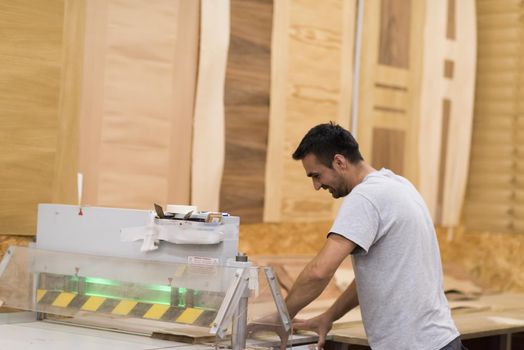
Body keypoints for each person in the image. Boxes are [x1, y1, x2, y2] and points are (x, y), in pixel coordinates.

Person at [283, 122, 465, 349]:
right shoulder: (398, 184)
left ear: (339, 162)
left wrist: (279, 318)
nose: (316, 186)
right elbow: (376, 277)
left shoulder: (365, 197)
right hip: (441, 341)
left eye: (317, 175)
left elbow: (319, 272)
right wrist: (329, 316)